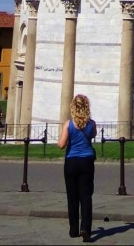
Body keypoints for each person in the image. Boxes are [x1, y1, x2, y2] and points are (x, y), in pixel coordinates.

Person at [57, 94, 97, 243]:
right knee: (86, 196)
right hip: (87, 160)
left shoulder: (68, 124)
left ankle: (73, 230)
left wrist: (59, 141)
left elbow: (61, 145)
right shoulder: (92, 124)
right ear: (87, 107)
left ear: (73, 107)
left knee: (72, 197)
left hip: (71, 161)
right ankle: (85, 228)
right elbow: (92, 135)